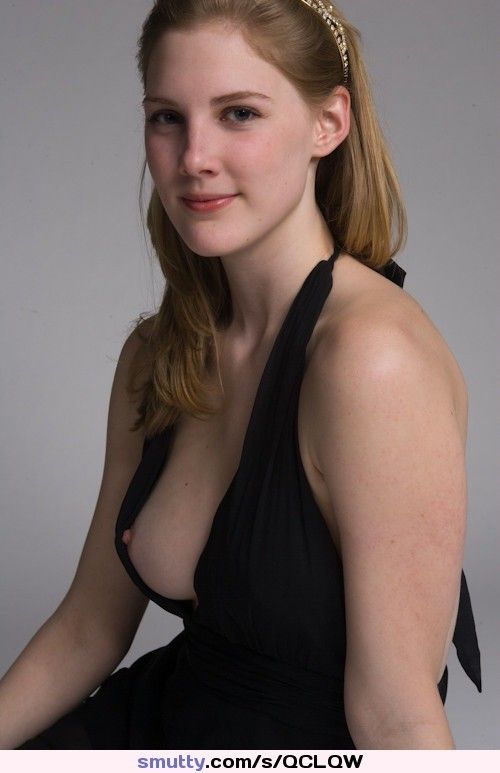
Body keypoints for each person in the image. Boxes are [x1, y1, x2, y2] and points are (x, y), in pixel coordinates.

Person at [2, 0, 481, 751]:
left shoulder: (371, 361)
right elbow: (89, 627)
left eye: (239, 114)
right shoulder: (157, 356)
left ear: (329, 123)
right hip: (155, 730)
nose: (193, 157)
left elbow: (397, 715)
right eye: (168, 117)